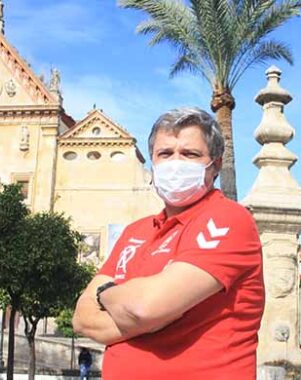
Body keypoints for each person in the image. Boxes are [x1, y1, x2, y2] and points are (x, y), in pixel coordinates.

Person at [73, 107, 265, 379]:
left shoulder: (229, 219)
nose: (176, 163)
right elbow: (82, 318)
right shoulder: (134, 232)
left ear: (216, 165)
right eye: (165, 154)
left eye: (190, 154)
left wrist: (107, 294)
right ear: (152, 163)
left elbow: (146, 307)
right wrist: (147, 316)